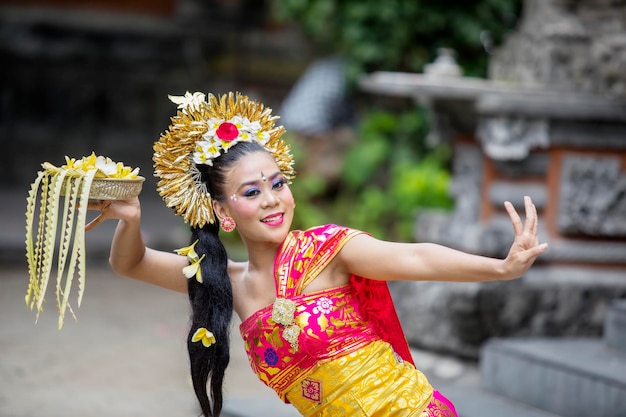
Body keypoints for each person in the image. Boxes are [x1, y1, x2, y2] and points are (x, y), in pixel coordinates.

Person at [86, 91, 548, 417]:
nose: (272, 199)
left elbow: (416, 258)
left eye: (277, 184)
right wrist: (129, 219)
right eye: (252, 191)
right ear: (223, 212)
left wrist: (500, 268)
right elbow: (131, 263)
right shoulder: (228, 282)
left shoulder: (328, 251)